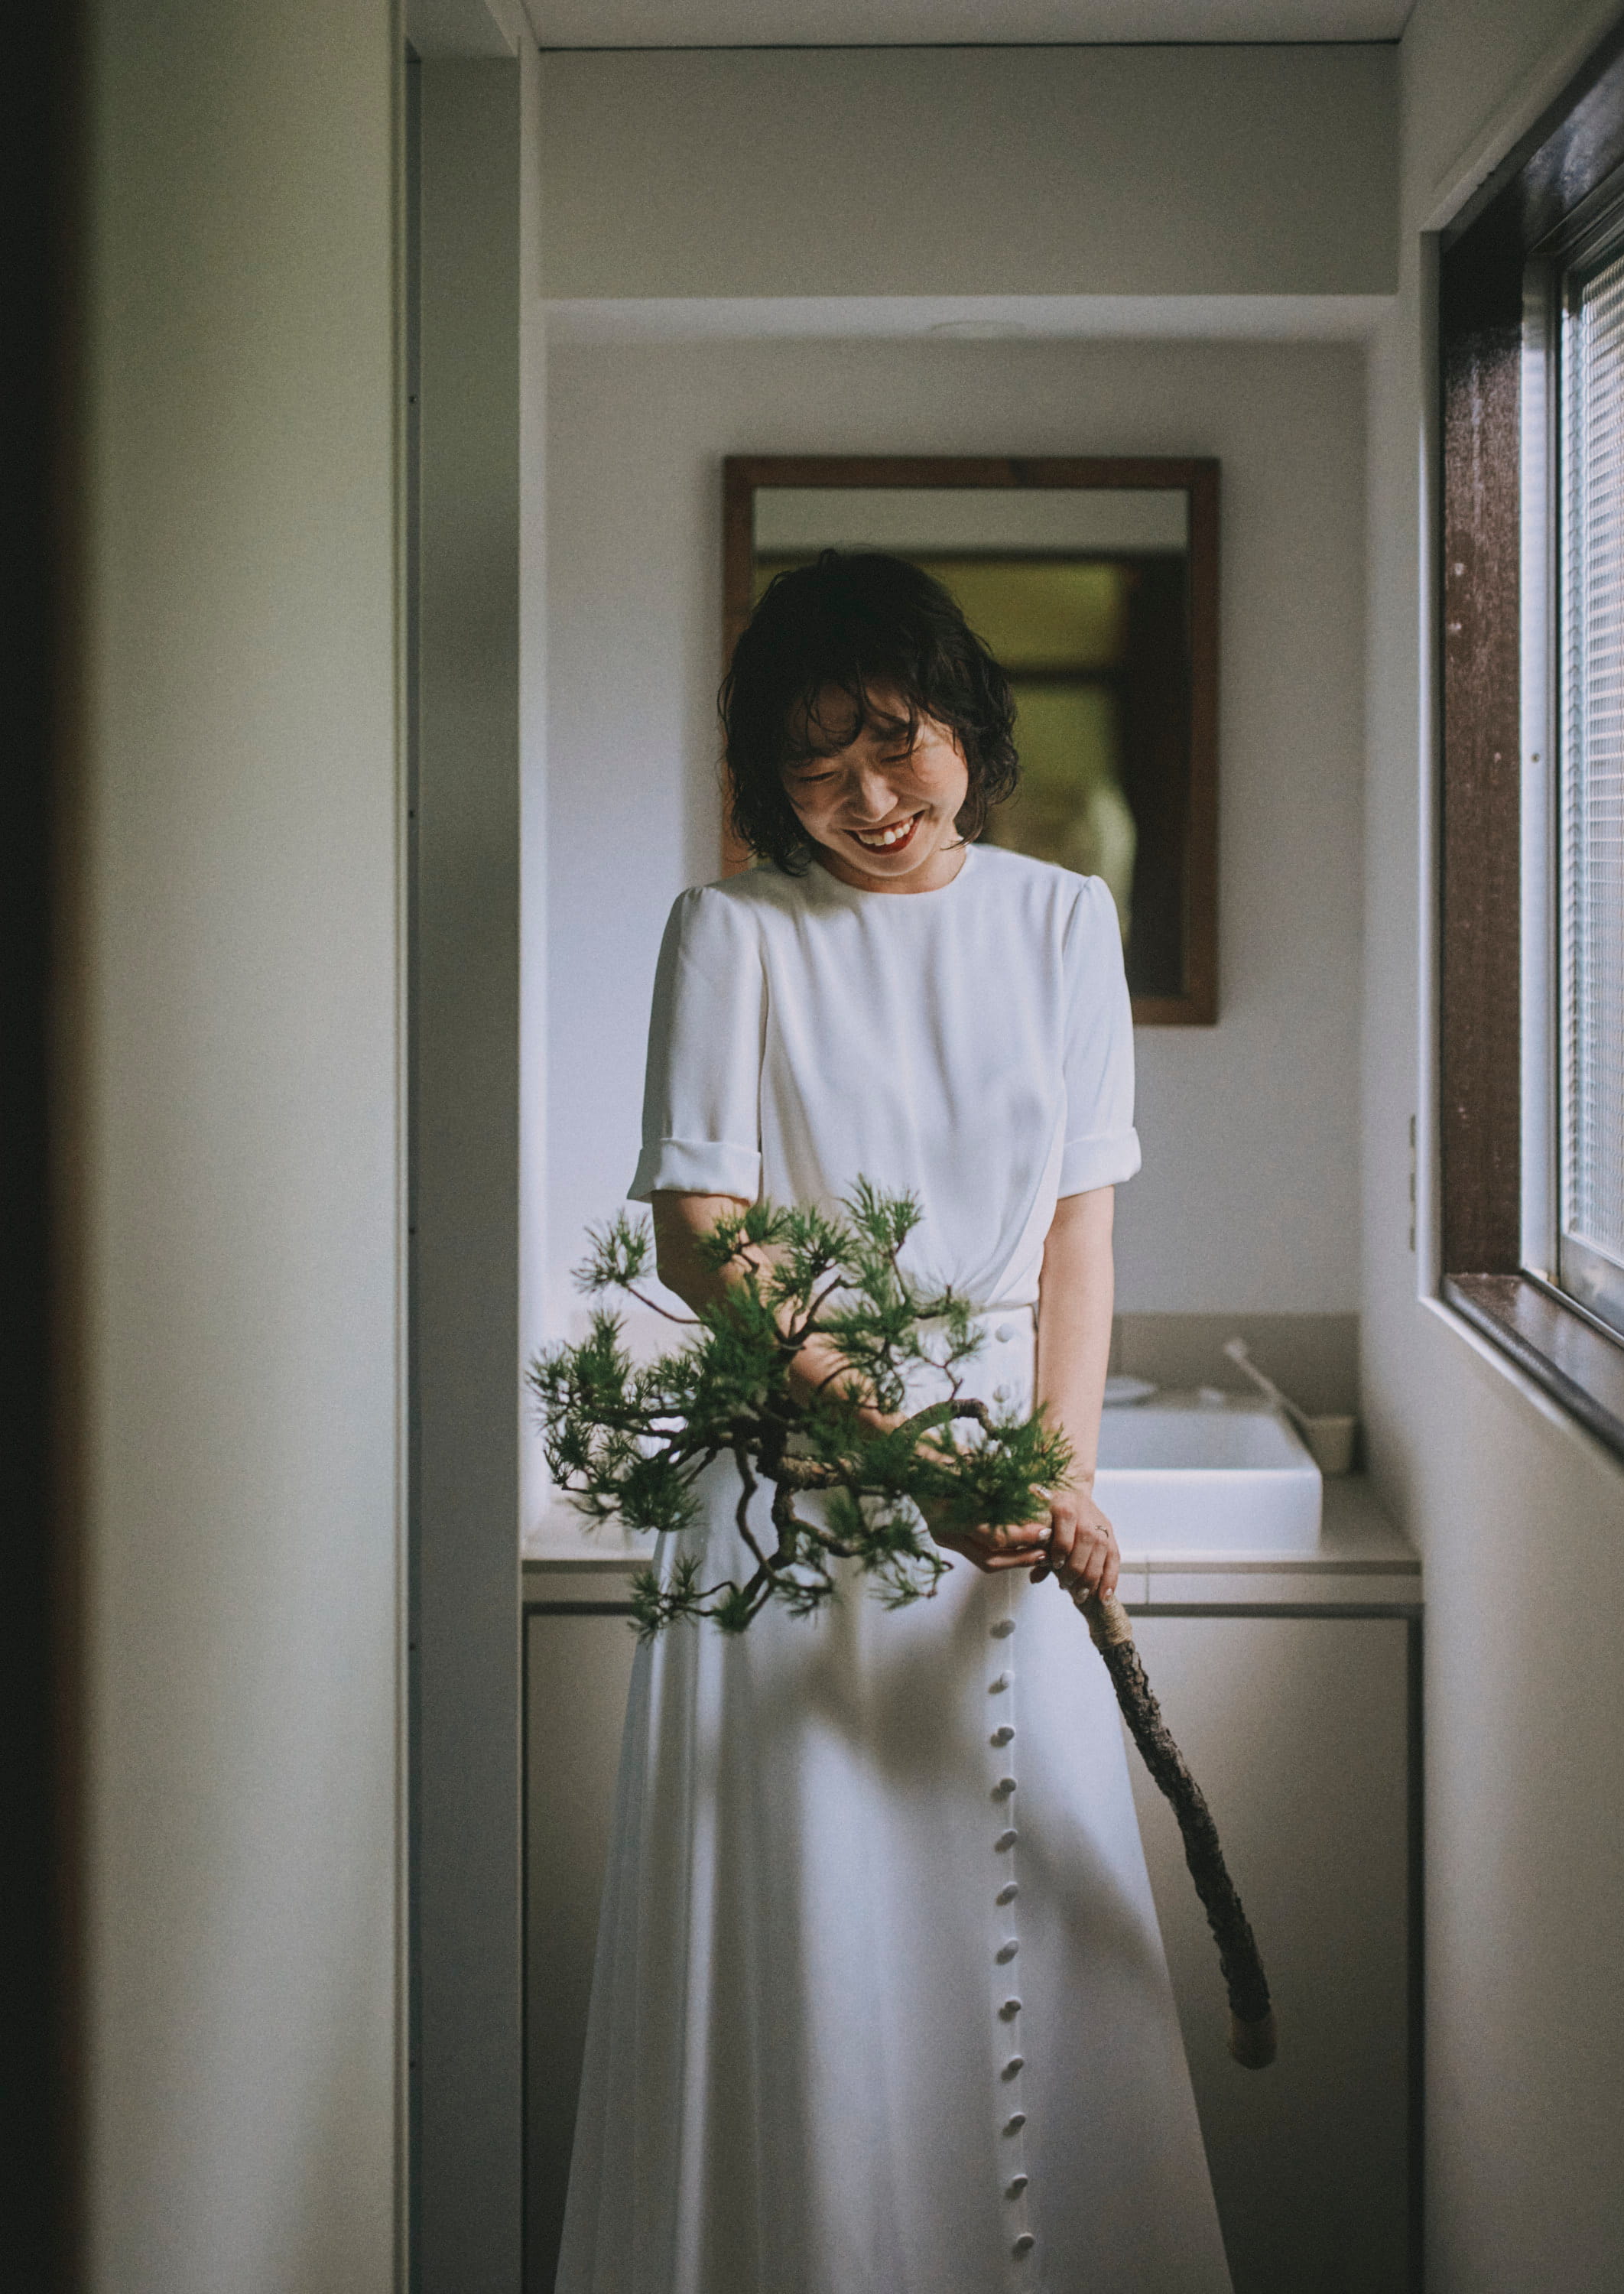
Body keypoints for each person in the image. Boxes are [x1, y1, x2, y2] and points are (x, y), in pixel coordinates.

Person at [556, 552, 1232, 2293]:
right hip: (800, 1483)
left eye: (896, 744)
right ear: (763, 783)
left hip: (1003, 1485)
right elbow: (705, 1242)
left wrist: (1056, 1471)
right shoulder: (732, 931)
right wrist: (907, 1458)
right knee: (812, 1936)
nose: (866, 799)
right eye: (814, 768)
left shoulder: (1064, 918)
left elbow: (1082, 1227)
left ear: (965, 725)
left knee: (1026, 1924)